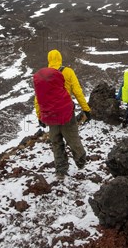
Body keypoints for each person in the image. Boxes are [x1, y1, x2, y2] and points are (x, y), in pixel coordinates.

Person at [33, 49, 91, 181]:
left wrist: (39, 116)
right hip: (66, 113)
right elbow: (77, 91)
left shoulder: (43, 77)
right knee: (73, 138)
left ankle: (60, 170)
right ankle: (81, 161)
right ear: (60, 58)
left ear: (49, 59)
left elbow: (38, 98)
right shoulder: (68, 72)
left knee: (56, 142)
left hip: (50, 116)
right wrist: (86, 109)